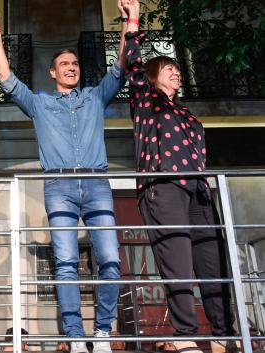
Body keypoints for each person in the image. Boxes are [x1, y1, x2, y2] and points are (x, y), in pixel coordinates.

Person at [0, 4, 127, 353]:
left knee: (110, 259)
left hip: (96, 184)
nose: (71, 67)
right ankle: (75, 335)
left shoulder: (96, 97)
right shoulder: (40, 104)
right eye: (64, 64)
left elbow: (122, 65)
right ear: (53, 73)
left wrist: (129, 21)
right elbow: (6, 80)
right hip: (59, 188)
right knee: (65, 263)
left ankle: (103, 331)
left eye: (75, 63)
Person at [121, 1, 237, 353]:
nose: (177, 73)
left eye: (177, 69)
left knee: (213, 262)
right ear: (154, 74)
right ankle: (185, 333)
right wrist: (132, 18)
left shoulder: (185, 113)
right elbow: (131, 61)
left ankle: (223, 334)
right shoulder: (145, 99)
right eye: (169, 68)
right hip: (163, 185)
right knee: (178, 261)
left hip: (199, 190)